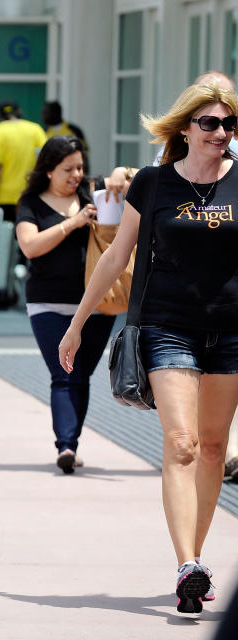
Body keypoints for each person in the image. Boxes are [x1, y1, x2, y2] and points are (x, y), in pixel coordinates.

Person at [59, 82, 238, 614]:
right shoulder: (155, 184)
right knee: (182, 442)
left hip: (230, 330)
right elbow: (116, 257)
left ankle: (196, 557)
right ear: (185, 128)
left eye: (229, 125)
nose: (221, 133)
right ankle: (187, 563)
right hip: (168, 326)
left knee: (211, 447)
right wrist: (77, 323)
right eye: (209, 123)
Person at [15, 136, 115, 474]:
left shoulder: (94, 192)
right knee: (64, 373)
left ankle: (72, 442)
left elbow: (136, 178)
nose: (76, 174)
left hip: (96, 304)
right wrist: (72, 223)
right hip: (48, 303)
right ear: (48, 171)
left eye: (80, 167)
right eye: (68, 169)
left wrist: (118, 173)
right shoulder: (31, 203)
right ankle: (66, 446)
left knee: (82, 374)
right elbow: (30, 246)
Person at [0, 100, 46, 218]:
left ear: (0, 115)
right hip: (31, 192)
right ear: (19, 112)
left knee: (5, 235)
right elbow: (47, 157)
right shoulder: (35, 129)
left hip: (5, 197)